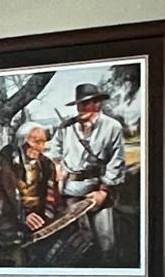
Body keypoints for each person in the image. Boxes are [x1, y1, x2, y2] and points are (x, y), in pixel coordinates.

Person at [49, 83, 127, 260]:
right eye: (79, 104)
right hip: (70, 192)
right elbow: (55, 156)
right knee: (74, 244)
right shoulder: (65, 127)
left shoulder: (112, 127)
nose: (81, 108)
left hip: (97, 191)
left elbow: (116, 162)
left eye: (86, 103)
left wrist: (103, 192)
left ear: (97, 104)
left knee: (106, 242)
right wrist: (58, 177)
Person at [0, 121, 64, 265]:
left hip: (38, 221)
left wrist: (46, 217)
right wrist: (22, 215)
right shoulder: (4, 162)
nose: (40, 147)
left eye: (43, 142)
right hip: (10, 220)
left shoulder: (46, 164)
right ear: (22, 140)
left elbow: (51, 195)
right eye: (36, 141)